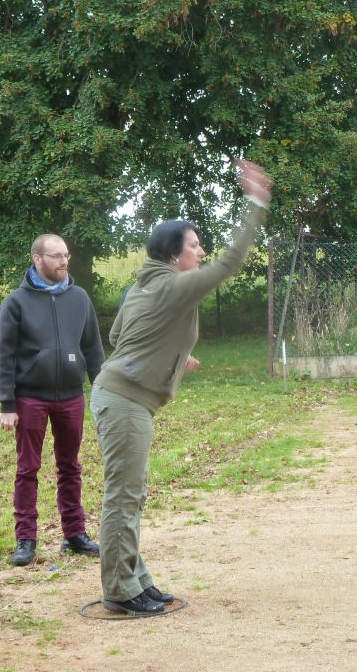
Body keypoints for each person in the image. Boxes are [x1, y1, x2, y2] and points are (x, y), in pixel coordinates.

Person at [90, 159, 273, 614]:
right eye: (194, 245)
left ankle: (136, 580)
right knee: (123, 496)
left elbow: (118, 337)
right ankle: (119, 590)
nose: (202, 251)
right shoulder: (174, 287)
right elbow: (231, 262)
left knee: (132, 493)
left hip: (122, 395)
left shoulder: (144, 287)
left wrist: (172, 357)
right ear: (174, 255)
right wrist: (255, 203)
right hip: (125, 400)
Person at [0, 234, 106, 566]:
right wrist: (7, 404)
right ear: (37, 259)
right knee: (27, 469)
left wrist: (102, 391)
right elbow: (5, 355)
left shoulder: (79, 298)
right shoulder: (15, 303)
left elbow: (93, 349)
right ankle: (25, 539)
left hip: (71, 396)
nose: (64, 261)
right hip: (30, 397)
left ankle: (74, 534)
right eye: (56, 256)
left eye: (66, 255)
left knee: (70, 467)